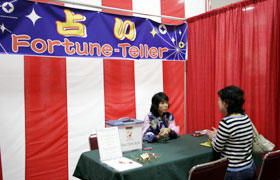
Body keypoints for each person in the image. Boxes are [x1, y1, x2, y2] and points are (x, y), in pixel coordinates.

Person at [206, 85, 256, 180]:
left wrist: (213, 137)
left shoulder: (226, 123)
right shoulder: (246, 118)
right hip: (250, 167)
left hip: (234, 172)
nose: (218, 103)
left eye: (219, 100)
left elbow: (217, 147)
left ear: (225, 104)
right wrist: (220, 134)